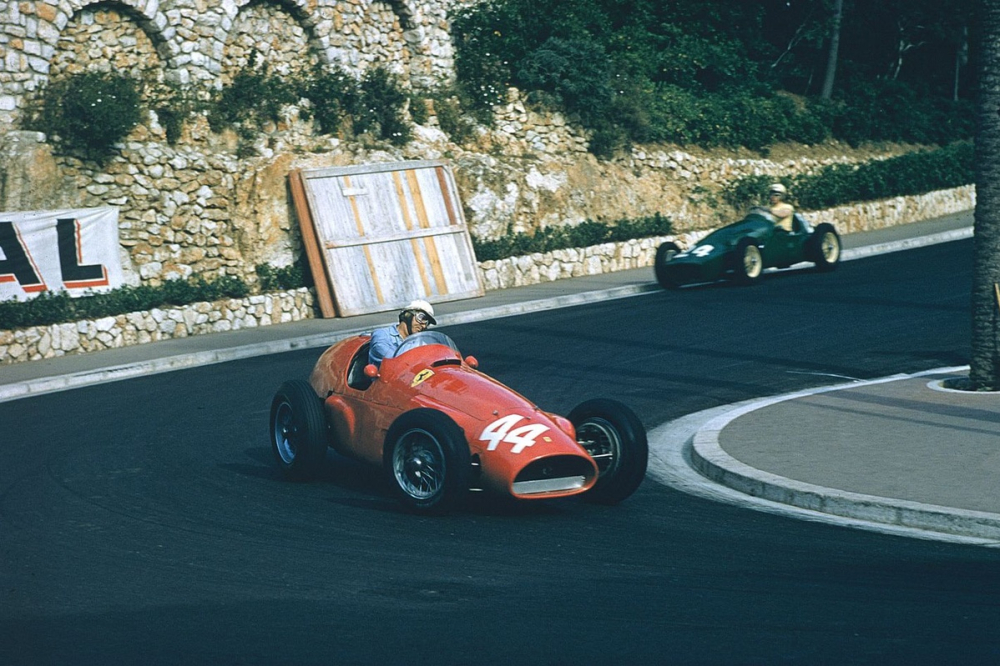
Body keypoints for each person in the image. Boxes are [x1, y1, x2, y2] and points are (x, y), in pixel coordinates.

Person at [368, 299, 437, 366]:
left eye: (427, 323)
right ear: (408, 315)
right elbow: (394, 360)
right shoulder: (382, 335)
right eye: (422, 318)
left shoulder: (420, 343)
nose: (424, 326)